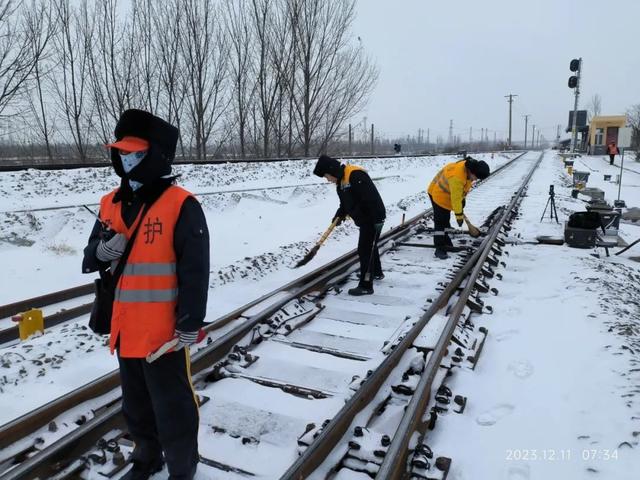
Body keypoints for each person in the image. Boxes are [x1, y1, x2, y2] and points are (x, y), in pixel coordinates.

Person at [82, 109, 210, 480]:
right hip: (124, 330)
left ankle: (183, 468)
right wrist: (102, 252)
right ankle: (146, 456)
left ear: (155, 156)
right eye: (121, 153)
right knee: (136, 406)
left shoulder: (180, 204)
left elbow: (195, 270)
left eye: (135, 154)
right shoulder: (110, 203)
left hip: (163, 335)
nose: (126, 160)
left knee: (173, 406)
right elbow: (90, 257)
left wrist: (190, 321)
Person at [313, 155, 386, 295]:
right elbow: (345, 204)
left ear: (332, 170)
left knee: (365, 249)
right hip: (365, 218)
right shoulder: (341, 183)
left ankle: (366, 285)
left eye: (327, 176)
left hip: (373, 217)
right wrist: (339, 215)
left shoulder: (355, 175)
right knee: (370, 246)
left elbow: (370, 199)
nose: (328, 180)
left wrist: (375, 220)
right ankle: (376, 272)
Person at [427, 156, 490, 259]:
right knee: (440, 222)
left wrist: (463, 199)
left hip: (446, 194)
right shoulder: (457, 177)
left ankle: (446, 240)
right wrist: (459, 216)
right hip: (438, 195)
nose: (475, 180)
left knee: (445, 220)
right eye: (476, 177)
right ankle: (439, 248)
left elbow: (461, 191)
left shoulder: (468, 169)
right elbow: (455, 199)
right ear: (472, 172)